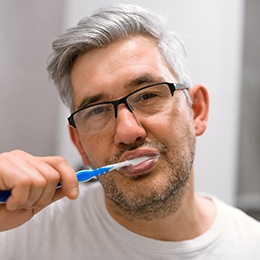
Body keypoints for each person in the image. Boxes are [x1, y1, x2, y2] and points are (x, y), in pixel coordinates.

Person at [0, 3, 259, 259]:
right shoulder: (19, 235)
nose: (127, 131)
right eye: (97, 111)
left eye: (147, 96)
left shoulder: (251, 247)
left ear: (197, 111)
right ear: (80, 143)